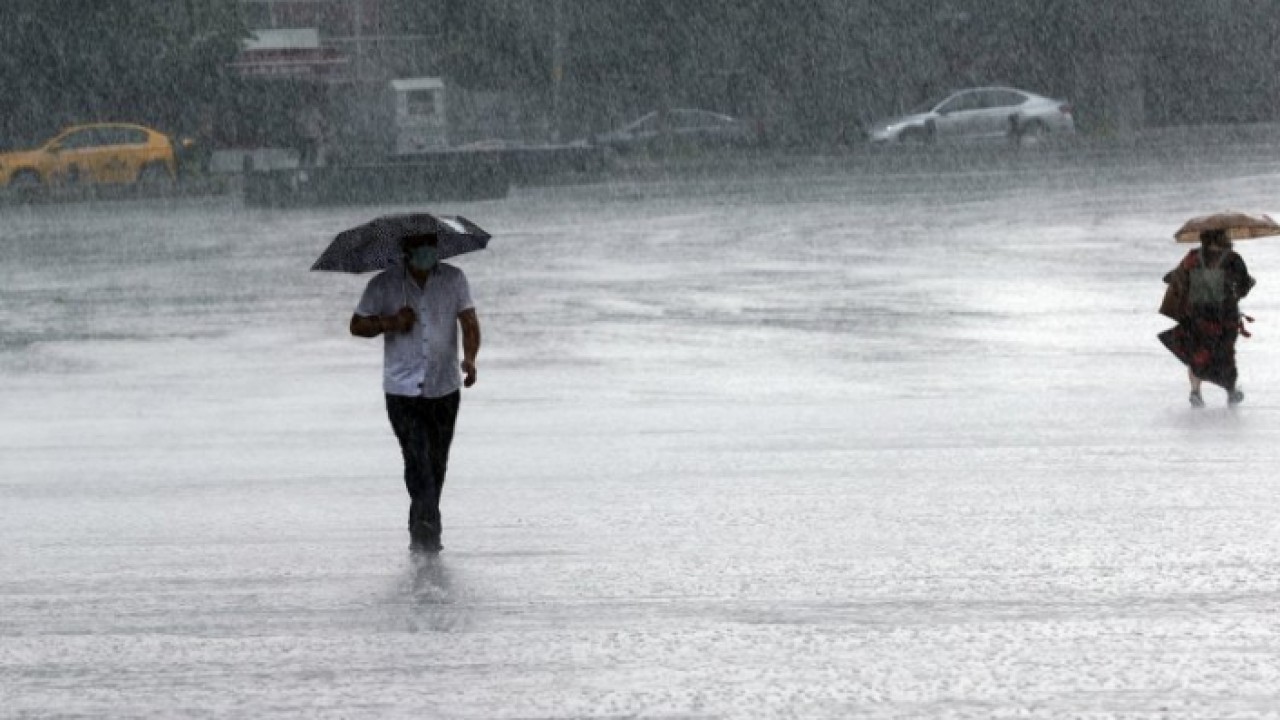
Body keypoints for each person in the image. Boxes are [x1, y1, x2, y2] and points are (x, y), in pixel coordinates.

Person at [350, 233, 481, 552]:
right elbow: (357, 325)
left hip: (444, 386)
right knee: (416, 458)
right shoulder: (383, 284)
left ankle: (421, 527)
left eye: (431, 247)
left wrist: (470, 359)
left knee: (437, 463)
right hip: (401, 391)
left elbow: (469, 322)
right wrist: (390, 322)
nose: (428, 253)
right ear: (407, 251)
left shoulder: (454, 279)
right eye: (421, 248)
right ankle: (428, 533)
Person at [1158, 228, 1255, 407]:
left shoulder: (1193, 257)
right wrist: (1245, 286)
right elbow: (1243, 286)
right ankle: (1231, 392)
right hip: (1225, 316)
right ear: (1222, 238)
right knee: (1225, 354)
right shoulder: (1233, 259)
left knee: (1195, 353)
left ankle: (1195, 392)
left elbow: (1177, 278)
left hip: (1197, 316)